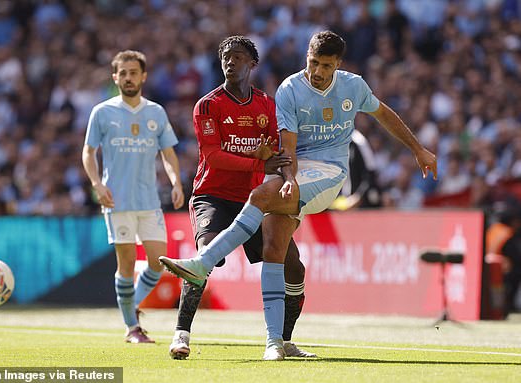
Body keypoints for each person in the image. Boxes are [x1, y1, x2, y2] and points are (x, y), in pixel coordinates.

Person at [160, 30, 437, 360]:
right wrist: (286, 174)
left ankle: (200, 265)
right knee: (278, 249)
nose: (318, 72)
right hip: (236, 189)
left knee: (263, 198)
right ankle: (273, 343)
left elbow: (382, 114)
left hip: (326, 173)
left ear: (338, 65)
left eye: (326, 66)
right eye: (313, 63)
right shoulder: (285, 90)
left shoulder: (349, 87)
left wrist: (418, 149)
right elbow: (285, 147)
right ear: (306, 56)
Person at [167, 36, 316, 360]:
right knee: (206, 256)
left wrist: (280, 168)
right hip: (214, 196)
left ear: (252, 64)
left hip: (255, 199)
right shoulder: (208, 104)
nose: (230, 62)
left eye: (237, 57)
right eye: (225, 57)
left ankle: (284, 340)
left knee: (294, 267)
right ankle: (181, 334)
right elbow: (214, 155)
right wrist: (259, 162)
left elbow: (281, 151)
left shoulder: (267, 105)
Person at [82, 50, 184, 344]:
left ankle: (131, 306)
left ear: (143, 76)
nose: (128, 77)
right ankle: (132, 328)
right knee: (126, 265)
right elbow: (88, 152)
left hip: (149, 201)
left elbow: (168, 153)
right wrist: (96, 185)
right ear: (115, 78)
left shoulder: (156, 112)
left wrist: (176, 181)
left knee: (157, 262)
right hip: (118, 200)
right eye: (122, 73)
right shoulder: (102, 112)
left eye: (133, 72)